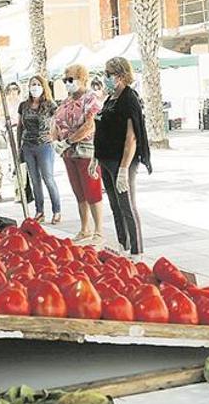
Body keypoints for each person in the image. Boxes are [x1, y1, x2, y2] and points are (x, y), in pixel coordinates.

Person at [91, 57, 152, 258]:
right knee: (115, 205)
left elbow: (131, 137)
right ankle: (123, 245)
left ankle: (137, 251)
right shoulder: (110, 99)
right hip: (106, 159)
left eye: (108, 74)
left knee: (127, 205)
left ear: (120, 75)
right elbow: (101, 130)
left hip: (121, 160)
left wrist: (125, 168)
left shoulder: (128, 98)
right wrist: (95, 158)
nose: (105, 78)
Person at [51, 64, 104, 244]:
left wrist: (68, 141)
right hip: (68, 153)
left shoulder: (91, 99)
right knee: (79, 192)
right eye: (65, 80)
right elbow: (56, 121)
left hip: (86, 151)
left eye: (71, 80)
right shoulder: (65, 101)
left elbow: (90, 125)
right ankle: (84, 228)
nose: (67, 83)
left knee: (92, 191)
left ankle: (98, 230)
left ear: (82, 79)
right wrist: (55, 141)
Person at [17, 75, 60, 224]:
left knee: (48, 178)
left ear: (43, 86)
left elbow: (59, 122)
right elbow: (20, 127)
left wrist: (53, 137)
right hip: (28, 146)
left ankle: (57, 210)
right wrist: (18, 147)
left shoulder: (50, 105)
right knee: (35, 180)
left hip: (44, 146)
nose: (34, 87)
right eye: (32, 84)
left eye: (37, 84)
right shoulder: (23, 105)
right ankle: (39, 211)